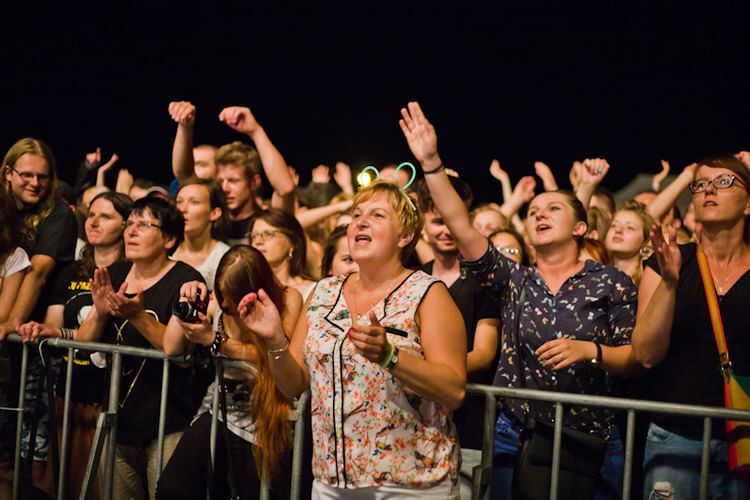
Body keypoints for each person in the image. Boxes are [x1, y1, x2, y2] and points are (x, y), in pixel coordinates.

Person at [399, 101, 642, 499]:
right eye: (532, 211)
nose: (539, 214)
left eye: (553, 208)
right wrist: (430, 162)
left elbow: (636, 358)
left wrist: (590, 350)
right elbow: (459, 224)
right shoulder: (513, 279)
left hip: (590, 435)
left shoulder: (611, 281)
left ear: (581, 226)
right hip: (517, 433)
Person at [239, 180, 466, 497]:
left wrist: (390, 356)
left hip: (410, 484)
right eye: (357, 214)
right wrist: (274, 340)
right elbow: (293, 384)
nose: (360, 221)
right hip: (332, 481)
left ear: (405, 236)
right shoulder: (324, 292)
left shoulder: (427, 293)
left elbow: (453, 389)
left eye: (377, 215)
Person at [69, 196, 206, 499]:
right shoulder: (116, 274)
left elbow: (177, 350)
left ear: (169, 239)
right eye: (130, 223)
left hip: (167, 422)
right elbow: (83, 343)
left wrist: (138, 316)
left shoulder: (186, 280)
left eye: (143, 225)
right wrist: (101, 311)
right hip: (118, 419)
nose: (131, 231)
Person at [632, 156, 750, 499]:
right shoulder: (667, 261)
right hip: (675, 436)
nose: (709, 189)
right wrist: (669, 284)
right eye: (699, 184)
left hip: (743, 436)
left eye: (724, 182)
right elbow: (645, 354)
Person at [158, 245, 302, 499]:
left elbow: (281, 354)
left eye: (230, 298)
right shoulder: (219, 305)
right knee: (173, 488)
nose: (224, 304)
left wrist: (217, 341)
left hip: (266, 414)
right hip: (219, 409)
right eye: (220, 295)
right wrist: (187, 303)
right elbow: (171, 347)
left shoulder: (288, 299)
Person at [19, 191, 132, 499]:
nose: (93, 222)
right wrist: (43, 329)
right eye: (91, 214)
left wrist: (66, 334)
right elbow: (54, 321)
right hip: (69, 392)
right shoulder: (71, 271)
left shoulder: (132, 273)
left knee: (99, 487)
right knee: (63, 485)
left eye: (105, 216)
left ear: (126, 225)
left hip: (109, 399)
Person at [0, 138, 78, 493]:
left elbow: (38, 272)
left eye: (43, 177)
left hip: (33, 335)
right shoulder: (4, 210)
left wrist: (8, 323)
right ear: (8, 173)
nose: (35, 183)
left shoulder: (58, 214)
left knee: (25, 440)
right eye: (27, 175)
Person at [215, 106, 296, 244]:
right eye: (221, 181)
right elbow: (185, 177)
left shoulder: (267, 220)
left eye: (233, 181)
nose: (225, 188)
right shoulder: (213, 220)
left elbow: (285, 189)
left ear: (254, 182)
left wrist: (255, 131)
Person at [172, 178, 231, 290]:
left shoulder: (224, 258)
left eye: (194, 202)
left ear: (214, 213)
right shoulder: (165, 251)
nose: (183, 209)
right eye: (179, 202)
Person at [248, 208, 316, 300]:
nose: (258, 241)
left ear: (292, 244)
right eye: (254, 236)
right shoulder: (248, 288)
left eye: (268, 234)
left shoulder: (313, 291)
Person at [605, 200, 656, 286]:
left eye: (630, 227)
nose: (618, 230)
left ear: (645, 240)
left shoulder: (649, 280)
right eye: (614, 225)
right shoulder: (595, 271)